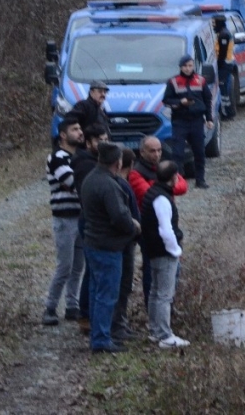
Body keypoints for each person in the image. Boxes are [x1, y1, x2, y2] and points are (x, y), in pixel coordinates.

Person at [80, 142, 140, 354]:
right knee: (107, 294)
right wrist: (133, 226)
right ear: (118, 162)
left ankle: (98, 335)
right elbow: (119, 217)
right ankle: (102, 339)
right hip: (107, 247)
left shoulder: (90, 179)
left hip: (93, 243)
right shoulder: (108, 185)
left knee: (97, 292)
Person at [128, 136, 188, 309]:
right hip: (148, 227)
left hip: (165, 222)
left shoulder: (159, 169)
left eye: (159, 150)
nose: (156, 154)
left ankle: (165, 308)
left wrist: (162, 184)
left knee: (170, 273)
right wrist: (165, 185)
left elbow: (182, 185)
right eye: (152, 151)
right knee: (152, 272)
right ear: (142, 152)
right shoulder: (136, 172)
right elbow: (149, 193)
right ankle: (153, 309)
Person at [141, 160, 190, 348]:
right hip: (163, 251)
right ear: (174, 177)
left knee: (155, 292)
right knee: (164, 295)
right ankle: (164, 335)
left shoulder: (153, 192)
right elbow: (166, 229)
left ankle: (155, 330)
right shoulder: (162, 198)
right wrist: (175, 250)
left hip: (153, 249)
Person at [42, 118, 85, 326]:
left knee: (78, 265)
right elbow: (72, 182)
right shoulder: (57, 158)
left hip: (80, 215)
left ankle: (72, 305)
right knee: (65, 265)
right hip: (64, 217)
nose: (80, 132)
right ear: (63, 135)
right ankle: (50, 307)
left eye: (80, 129)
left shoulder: (79, 157)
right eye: (75, 129)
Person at [72, 123, 109, 333]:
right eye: (99, 141)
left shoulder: (92, 161)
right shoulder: (85, 165)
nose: (103, 144)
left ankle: (88, 312)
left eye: (105, 139)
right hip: (90, 219)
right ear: (88, 143)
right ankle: (85, 313)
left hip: (90, 218)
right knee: (92, 270)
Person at [163, 55, 214, 189]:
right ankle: (178, 181)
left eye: (190, 66)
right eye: (185, 66)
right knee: (177, 153)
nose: (187, 68)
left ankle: (200, 180)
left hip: (197, 121)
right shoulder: (173, 81)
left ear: (193, 66)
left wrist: (209, 118)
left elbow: (208, 100)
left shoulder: (201, 81)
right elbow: (166, 100)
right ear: (180, 67)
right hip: (180, 121)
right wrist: (180, 102)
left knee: (199, 152)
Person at [111, 147, 141, 343]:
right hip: (123, 241)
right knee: (122, 285)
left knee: (123, 284)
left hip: (123, 240)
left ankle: (120, 323)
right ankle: (117, 325)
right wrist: (135, 228)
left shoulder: (115, 183)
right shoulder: (121, 185)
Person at [213, 14, 236, 120]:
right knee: (225, 88)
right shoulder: (224, 33)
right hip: (226, 64)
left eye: (214, 23)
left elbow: (222, 53)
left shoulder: (223, 35)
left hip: (224, 65)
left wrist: (218, 64)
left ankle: (226, 112)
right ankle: (228, 111)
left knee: (223, 89)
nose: (213, 25)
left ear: (219, 23)